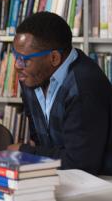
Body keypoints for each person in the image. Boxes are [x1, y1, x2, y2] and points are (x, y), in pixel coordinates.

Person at [7, 11, 112, 175]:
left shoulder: (84, 87)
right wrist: (41, 153)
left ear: (54, 58)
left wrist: (25, 152)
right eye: (16, 56)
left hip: (100, 182)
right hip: (57, 175)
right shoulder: (31, 77)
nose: (17, 65)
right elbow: (39, 140)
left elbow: (80, 165)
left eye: (25, 59)